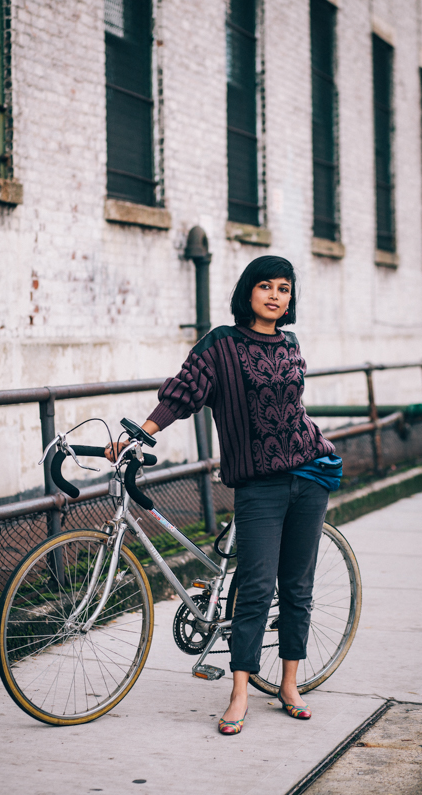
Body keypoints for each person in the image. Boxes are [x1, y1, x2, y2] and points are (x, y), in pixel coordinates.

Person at [106, 255, 336, 735]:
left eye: (285, 289)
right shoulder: (221, 345)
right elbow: (182, 394)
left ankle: (290, 684)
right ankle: (238, 694)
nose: (276, 296)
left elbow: (293, 411)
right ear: (248, 292)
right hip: (259, 486)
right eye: (266, 286)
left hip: (309, 475)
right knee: (253, 590)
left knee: (297, 588)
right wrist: (140, 434)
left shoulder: (291, 343)